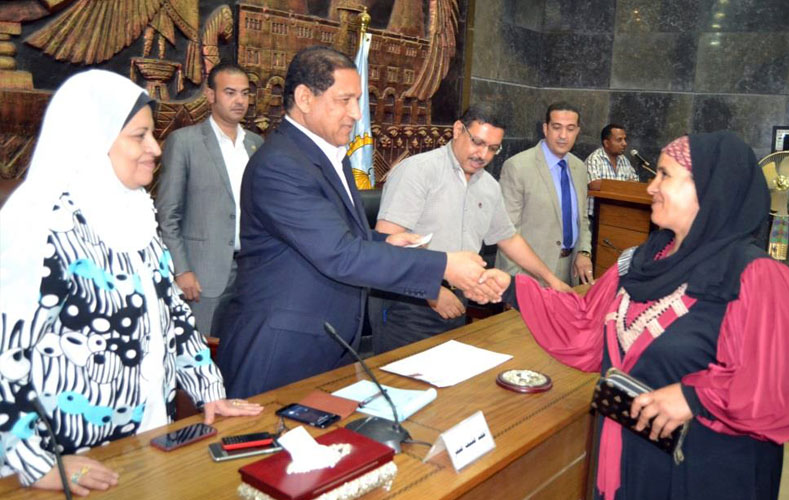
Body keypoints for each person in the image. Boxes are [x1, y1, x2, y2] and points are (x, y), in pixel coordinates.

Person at [488, 131, 789, 500]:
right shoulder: (639, 262)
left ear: (710, 189)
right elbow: (585, 324)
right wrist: (510, 287)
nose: (651, 187)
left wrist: (696, 398)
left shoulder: (757, 277)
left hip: (706, 473)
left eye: (665, 175)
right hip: (629, 462)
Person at [0, 70, 262, 496]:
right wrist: (36, 464)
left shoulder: (135, 210)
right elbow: (5, 357)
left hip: (147, 440)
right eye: (139, 136)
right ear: (93, 140)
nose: (155, 148)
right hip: (72, 461)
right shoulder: (40, 225)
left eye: (152, 135)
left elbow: (173, 314)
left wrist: (209, 393)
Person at [215, 46, 502, 398]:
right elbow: (340, 254)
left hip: (327, 344)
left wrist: (385, 241)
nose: (356, 113)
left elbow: (336, 236)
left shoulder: (330, 156)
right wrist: (444, 266)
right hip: (281, 352)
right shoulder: (281, 165)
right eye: (345, 100)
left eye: (358, 100)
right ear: (305, 98)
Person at [370, 104, 570, 352]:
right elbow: (387, 242)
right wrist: (432, 292)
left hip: (459, 297)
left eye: (493, 148)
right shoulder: (418, 171)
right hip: (410, 301)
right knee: (402, 375)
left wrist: (551, 280)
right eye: (478, 142)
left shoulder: (489, 186)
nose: (483, 155)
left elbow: (509, 239)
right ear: (457, 130)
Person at [156, 62, 264, 337]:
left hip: (250, 272)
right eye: (230, 92)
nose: (239, 100)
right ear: (210, 94)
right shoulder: (185, 142)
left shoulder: (256, 144)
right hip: (202, 275)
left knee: (240, 347)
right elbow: (168, 214)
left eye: (245, 93)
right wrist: (181, 269)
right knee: (199, 351)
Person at [496, 102, 594, 286]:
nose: (563, 135)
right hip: (529, 274)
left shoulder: (579, 168)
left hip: (570, 270)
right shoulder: (517, 167)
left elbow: (581, 218)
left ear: (577, 131)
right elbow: (506, 230)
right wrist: (516, 284)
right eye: (557, 127)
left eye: (570, 129)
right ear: (545, 128)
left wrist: (583, 252)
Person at [584, 123, 638, 216]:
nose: (624, 144)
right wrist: (624, 185)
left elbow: (634, 184)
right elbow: (594, 185)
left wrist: (621, 185)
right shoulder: (594, 159)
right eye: (619, 140)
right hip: (595, 217)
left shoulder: (624, 160)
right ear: (606, 143)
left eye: (625, 139)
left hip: (618, 215)